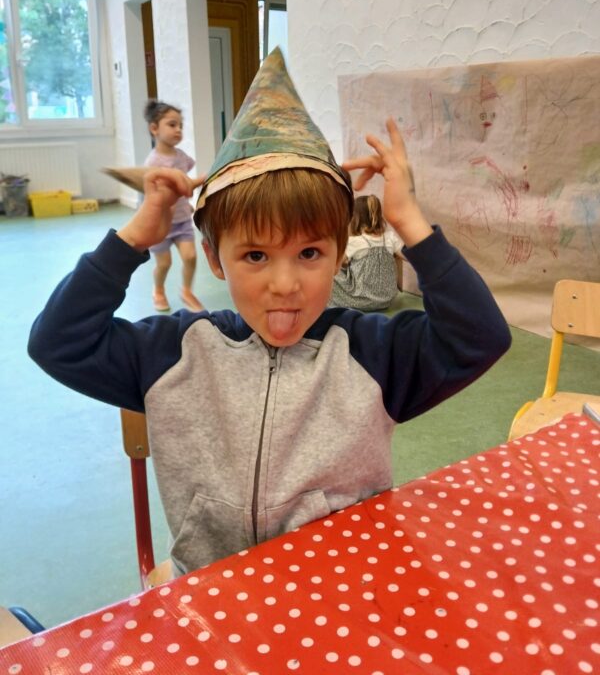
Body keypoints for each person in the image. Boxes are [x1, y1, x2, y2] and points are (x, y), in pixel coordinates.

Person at [28, 48, 511, 578]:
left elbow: (481, 337)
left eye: (310, 253)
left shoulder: (374, 354)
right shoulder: (173, 353)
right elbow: (57, 342)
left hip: (344, 591)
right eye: (255, 255)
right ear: (214, 258)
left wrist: (410, 221)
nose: (285, 285)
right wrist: (133, 239)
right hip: (212, 594)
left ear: (339, 250)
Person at [143, 99, 204, 312]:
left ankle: (187, 291)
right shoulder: (152, 164)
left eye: (181, 125)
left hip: (182, 221)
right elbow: (159, 194)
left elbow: (184, 184)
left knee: (190, 256)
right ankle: (158, 290)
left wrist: (187, 205)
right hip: (161, 226)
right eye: (172, 124)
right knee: (164, 263)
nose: (178, 130)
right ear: (154, 128)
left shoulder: (182, 157)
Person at [330, 193, 404, 311]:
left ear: (355, 218)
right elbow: (408, 255)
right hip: (387, 299)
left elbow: (336, 264)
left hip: (362, 300)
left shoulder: (355, 241)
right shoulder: (390, 238)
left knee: (328, 270)